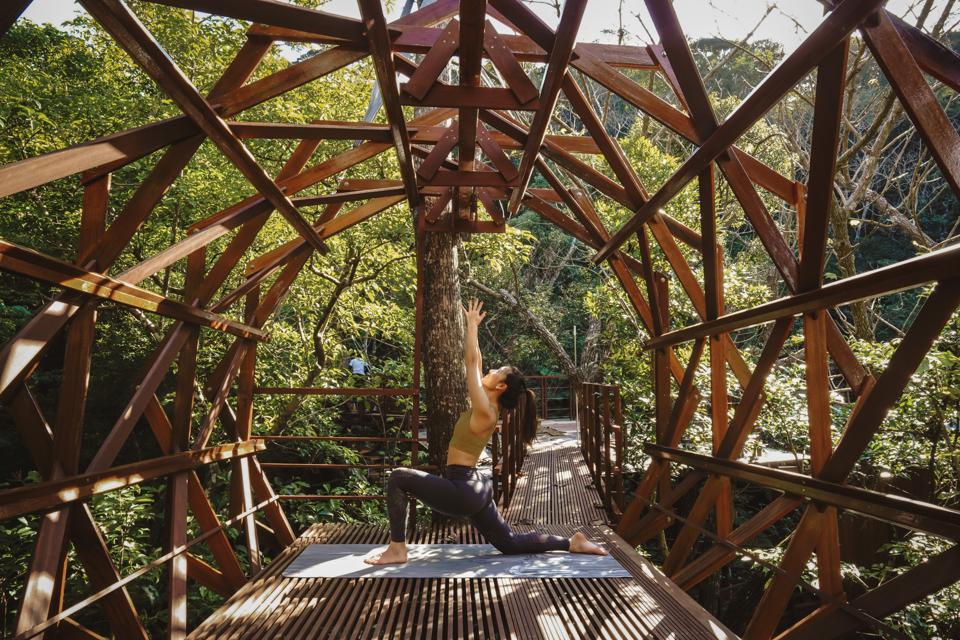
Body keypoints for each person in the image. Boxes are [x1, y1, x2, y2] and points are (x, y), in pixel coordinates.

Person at [364, 299, 607, 565]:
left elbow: (470, 364)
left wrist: (470, 326)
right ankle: (571, 542)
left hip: (463, 489)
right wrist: (473, 327)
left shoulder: (485, 410)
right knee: (509, 542)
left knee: (399, 477)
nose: (490, 370)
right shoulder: (488, 406)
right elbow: (476, 361)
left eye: (497, 371)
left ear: (501, 387)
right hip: (476, 487)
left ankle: (397, 549)